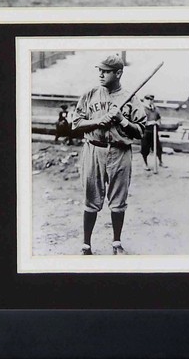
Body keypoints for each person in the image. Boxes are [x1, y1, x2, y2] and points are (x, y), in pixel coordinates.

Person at [71, 54, 146, 256]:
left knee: (118, 201)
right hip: (94, 149)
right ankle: (86, 245)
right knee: (91, 198)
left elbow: (140, 131)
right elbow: (76, 124)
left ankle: (117, 243)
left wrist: (122, 120)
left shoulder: (130, 98)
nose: (101, 74)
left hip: (120, 151)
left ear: (118, 73)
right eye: (100, 70)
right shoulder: (90, 94)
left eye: (106, 71)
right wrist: (98, 121)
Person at [140, 94, 164, 170]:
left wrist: (158, 122)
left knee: (158, 147)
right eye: (147, 99)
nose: (149, 101)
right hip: (145, 131)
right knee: (145, 148)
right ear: (144, 100)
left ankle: (160, 162)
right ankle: (145, 163)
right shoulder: (141, 109)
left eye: (151, 99)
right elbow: (140, 121)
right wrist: (150, 123)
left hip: (154, 131)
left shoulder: (156, 109)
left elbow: (159, 118)